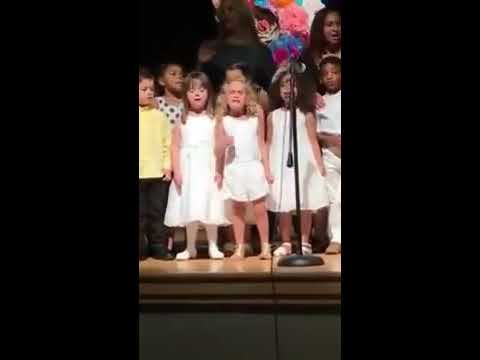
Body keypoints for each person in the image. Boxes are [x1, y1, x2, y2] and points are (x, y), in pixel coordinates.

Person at [164, 72, 229, 260]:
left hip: (208, 167)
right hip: (189, 168)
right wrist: (177, 170)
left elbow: (220, 147)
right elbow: (175, 146)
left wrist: (219, 170)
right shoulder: (181, 120)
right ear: (186, 94)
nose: (197, 94)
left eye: (201, 90)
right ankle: (190, 246)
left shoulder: (214, 120)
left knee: (211, 205)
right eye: (192, 91)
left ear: (208, 93)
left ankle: (213, 245)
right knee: (190, 206)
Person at [267, 69, 329, 256]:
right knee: (283, 202)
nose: (288, 89)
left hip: (304, 161)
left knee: (305, 201)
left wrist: (319, 165)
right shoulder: (273, 116)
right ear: (278, 90)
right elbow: (269, 142)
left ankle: (304, 240)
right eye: (284, 85)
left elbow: (312, 140)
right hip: (280, 161)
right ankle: (286, 241)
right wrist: (267, 166)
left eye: (292, 84)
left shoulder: (306, 114)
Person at [215, 78, 273, 259]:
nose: (236, 95)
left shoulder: (256, 118)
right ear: (225, 97)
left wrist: (267, 168)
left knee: (260, 208)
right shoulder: (223, 121)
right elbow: (217, 150)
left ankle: (265, 246)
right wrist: (219, 171)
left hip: (254, 166)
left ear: (247, 97)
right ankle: (239, 246)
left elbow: (262, 144)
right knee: (237, 209)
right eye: (232, 92)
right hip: (234, 168)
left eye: (240, 92)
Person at [201, 0, 276, 92]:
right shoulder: (211, 51)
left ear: (242, 12)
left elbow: (272, 91)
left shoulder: (262, 52)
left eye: (230, 9)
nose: (226, 15)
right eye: (223, 12)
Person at [139, 68, 174, 261]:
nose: (150, 92)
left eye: (151, 89)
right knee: (140, 216)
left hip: (157, 174)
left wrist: (167, 166)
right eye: (144, 89)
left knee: (157, 214)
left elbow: (166, 143)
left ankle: (159, 248)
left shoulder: (159, 117)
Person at [316, 56, 341, 254]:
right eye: (325, 75)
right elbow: (315, 130)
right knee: (334, 198)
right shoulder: (320, 102)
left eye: (334, 73)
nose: (330, 77)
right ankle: (336, 238)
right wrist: (331, 139)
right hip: (330, 155)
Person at [301, 7, 341, 95]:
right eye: (329, 25)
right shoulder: (308, 56)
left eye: (339, 24)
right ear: (319, 28)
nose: (335, 29)